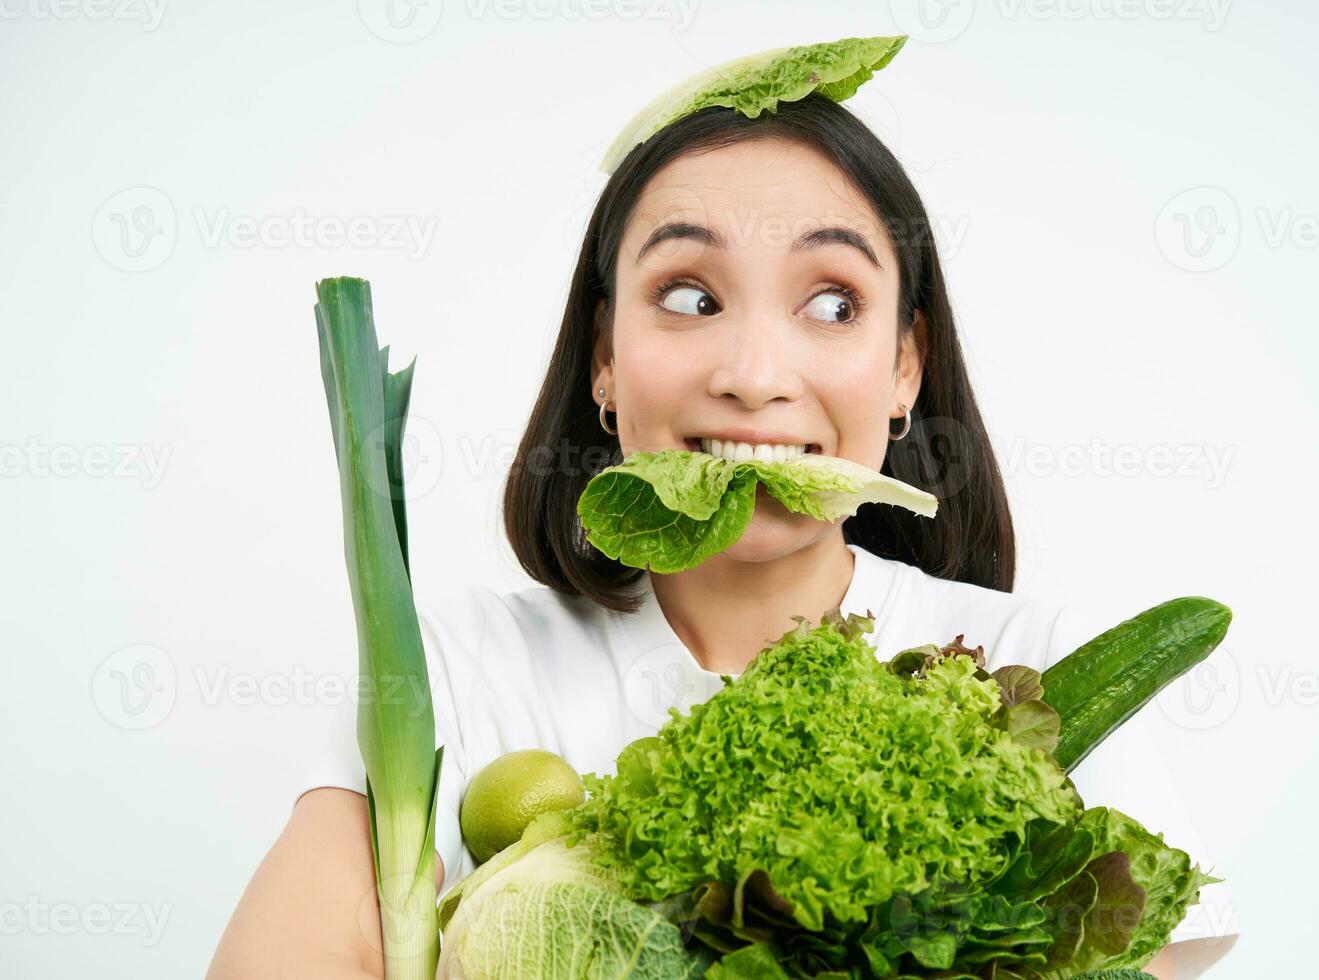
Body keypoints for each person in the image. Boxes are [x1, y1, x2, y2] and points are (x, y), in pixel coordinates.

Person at [208, 93, 1237, 979]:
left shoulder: (1039, 671)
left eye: (833, 303)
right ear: (604, 359)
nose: (753, 371)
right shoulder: (459, 669)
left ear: (905, 370)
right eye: (690, 296)